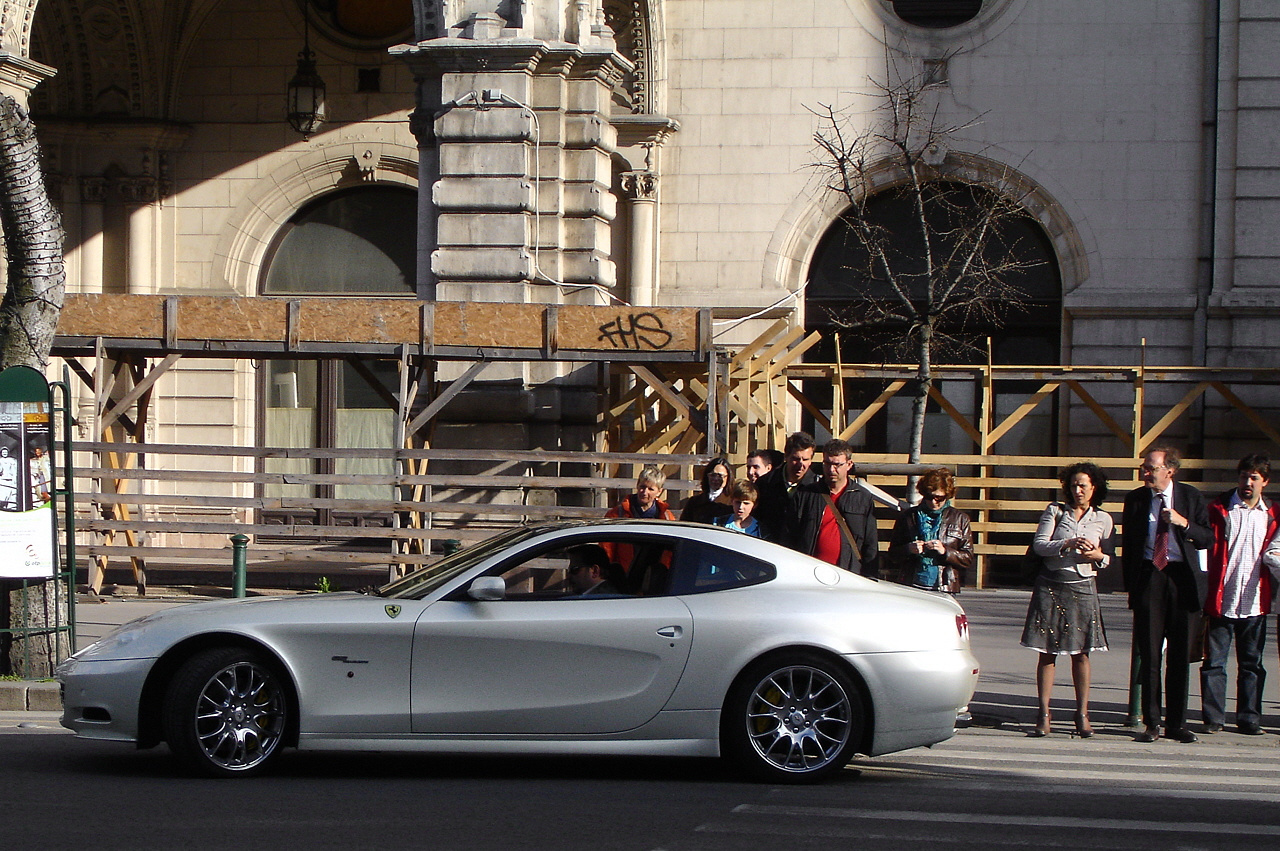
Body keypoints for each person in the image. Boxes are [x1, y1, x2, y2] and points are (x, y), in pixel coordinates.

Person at [1122, 446, 1211, 744]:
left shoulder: (1190, 496)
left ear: (1169, 471)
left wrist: (1183, 522)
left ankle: (1177, 723)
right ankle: (1152, 722)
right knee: (1149, 653)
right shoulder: (1135, 499)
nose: (1145, 473)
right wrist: (1132, 588)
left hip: (1182, 578)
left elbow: (1207, 537)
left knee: (1178, 656)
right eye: (1145, 467)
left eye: (1151, 468)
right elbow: (1130, 548)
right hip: (1151, 576)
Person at [1020, 462, 1113, 738]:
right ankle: (1044, 713)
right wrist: (1066, 544)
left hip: (1083, 585)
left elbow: (1109, 558)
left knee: (1081, 654)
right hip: (1052, 584)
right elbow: (1039, 544)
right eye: (1073, 485)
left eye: (1083, 485)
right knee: (1047, 652)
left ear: (1094, 487)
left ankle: (1082, 714)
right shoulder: (1055, 511)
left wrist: (1096, 556)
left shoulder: (1104, 519)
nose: (1078, 490)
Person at [1200, 453, 1280, 735]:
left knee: (1252, 665)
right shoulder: (1219, 509)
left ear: (1265, 482)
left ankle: (1249, 718)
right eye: (1244, 476)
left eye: (1254, 478)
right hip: (1222, 598)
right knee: (1214, 663)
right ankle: (1214, 718)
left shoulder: (1273, 514)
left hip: (1255, 600)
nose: (1247, 482)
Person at [786, 438, 879, 577]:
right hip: (809, 573)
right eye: (827, 463)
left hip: (848, 574)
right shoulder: (806, 494)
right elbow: (789, 536)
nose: (831, 470)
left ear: (849, 464)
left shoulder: (862, 497)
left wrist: (870, 577)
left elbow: (870, 543)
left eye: (837, 465)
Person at [888, 467, 972, 593]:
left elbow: (967, 558)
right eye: (929, 496)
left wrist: (945, 551)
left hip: (944, 586)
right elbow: (892, 554)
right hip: (911, 583)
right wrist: (909, 549)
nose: (933, 502)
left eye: (939, 498)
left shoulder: (960, 518)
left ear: (947, 495)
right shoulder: (908, 516)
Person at [755, 431, 819, 543]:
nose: (800, 464)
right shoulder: (765, 483)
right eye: (796, 459)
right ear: (786, 456)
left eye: (805, 459)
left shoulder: (817, 489)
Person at [680, 457, 733, 524]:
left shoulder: (732, 503)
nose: (716, 478)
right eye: (713, 475)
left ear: (728, 477)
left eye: (720, 475)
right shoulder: (694, 502)